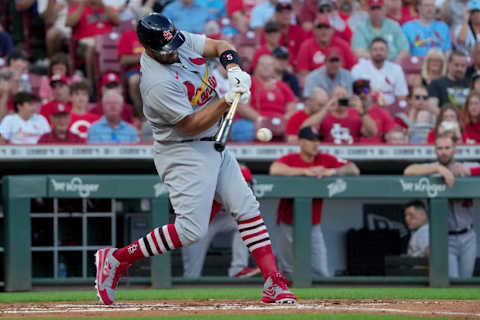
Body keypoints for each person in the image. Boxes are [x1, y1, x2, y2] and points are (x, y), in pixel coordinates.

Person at [94, 13, 296, 305]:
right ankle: (116, 259)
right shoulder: (155, 83)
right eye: (167, 49)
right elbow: (190, 124)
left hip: (213, 141)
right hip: (183, 150)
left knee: (246, 206)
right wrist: (226, 100)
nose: (174, 50)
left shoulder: (177, 41)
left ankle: (272, 281)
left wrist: (233, 67)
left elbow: (218, 45)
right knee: (191, 230)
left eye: (174, 43)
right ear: (148, 49)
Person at [270, 126, 360, 279]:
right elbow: (274, 169)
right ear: (301, 142)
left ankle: (321, 301)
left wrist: (331, 172)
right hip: (288, 223)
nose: (316, 143)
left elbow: (353, 169)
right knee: (288, 271)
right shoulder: (291, 158)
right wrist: (304, 171)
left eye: (317, 140)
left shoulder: (325, 159)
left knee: (320, 270)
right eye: (311, 140)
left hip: (313, 224)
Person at [404, 133, 479, 278]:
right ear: (435, 150)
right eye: (439, 148)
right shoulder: (431, 168)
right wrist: (438, 169)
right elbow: (409, 171)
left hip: (468, 235)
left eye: (447, 147)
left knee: (466, 280)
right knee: (452, 279)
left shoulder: (466, 166)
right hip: (444, 237)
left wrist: (470, 171)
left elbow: (474, 169)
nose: (443, 151)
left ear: (454, 149)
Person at [182, 164, 260, 278]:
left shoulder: (230, 172)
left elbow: (244, 173)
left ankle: (238, 269)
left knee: (247, 221)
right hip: (198, 221)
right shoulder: (206, 178)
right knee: (192, 274)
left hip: (222, 217)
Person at [233, 55, 297, 142]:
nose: (266, 67)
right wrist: (262, 120)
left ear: (274, 68)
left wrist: (282, 120)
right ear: (256, 67)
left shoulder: (282, 86)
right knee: (243, 128)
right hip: (253, 121)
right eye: (262, 65)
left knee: (297, 130)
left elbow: (292, 109)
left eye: (269, 65)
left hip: (278, 123)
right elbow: (242, 107)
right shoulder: (248, 82)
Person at [66, 0, 121, 85]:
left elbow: (118, 21)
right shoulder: (77, 8)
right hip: (85, 43)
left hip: (107, 42)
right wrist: (82, 5)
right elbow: (69, 23)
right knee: (92, 48)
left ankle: (115, 80)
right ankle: (91, 82)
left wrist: (103, 6)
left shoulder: (107, 8)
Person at [301, 85, 378, 144]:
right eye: (338, 95)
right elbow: (304, 129)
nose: (341, 98)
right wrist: (326, 110)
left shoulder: (356, 115)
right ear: (331, 98)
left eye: (344, 96)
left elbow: (373, 132)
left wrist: (362, 112)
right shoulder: (324, 115)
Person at [351, 37, 408, 105]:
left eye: (382, 49)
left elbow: (401, 96)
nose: (378, 52)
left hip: (390, 108)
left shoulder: (396, 69)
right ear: (369, 52)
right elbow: (353, 94)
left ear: (387, 52)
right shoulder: (358, 68)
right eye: (375, 49)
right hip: (366, 107)